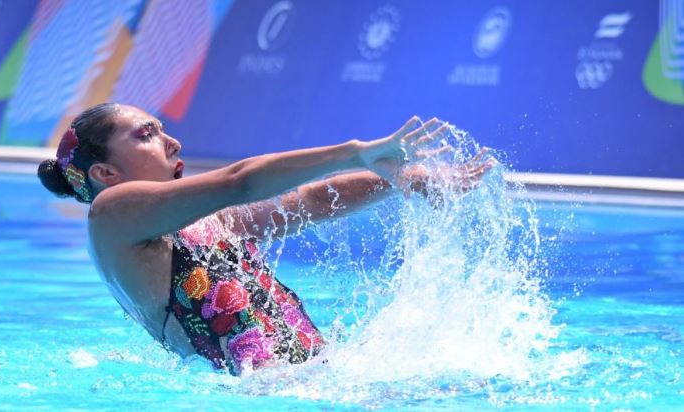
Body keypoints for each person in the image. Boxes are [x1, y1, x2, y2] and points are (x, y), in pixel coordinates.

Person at [38, 103, 495, 375]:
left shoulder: (205, 222)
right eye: (148, 135)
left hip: (313, 379)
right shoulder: (111, 215)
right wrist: (356, 151)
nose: (172, 142)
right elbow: (239, 180)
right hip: (269, 392)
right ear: (105, 173)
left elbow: (311, 202)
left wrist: (399, 179)